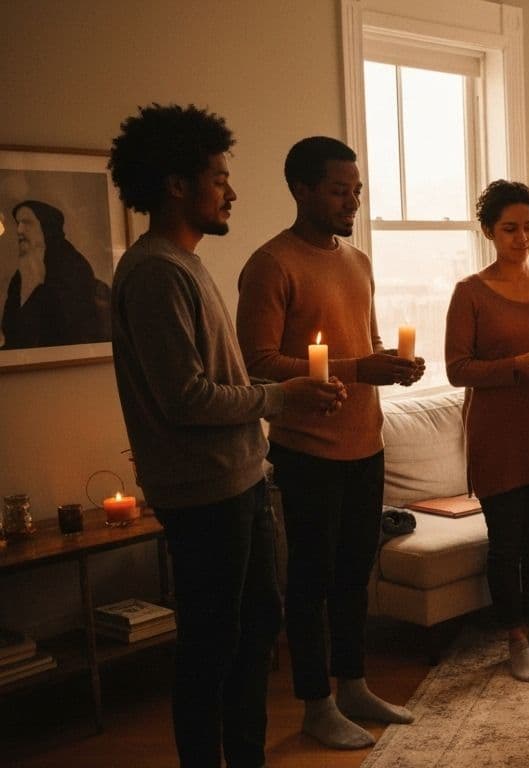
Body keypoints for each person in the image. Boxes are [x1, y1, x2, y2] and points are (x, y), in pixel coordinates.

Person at [107, 104, 345, 768]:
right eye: (218, 176)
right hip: (202, 493)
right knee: (212, 646)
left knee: (251, 635)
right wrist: (282, 396)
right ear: (176, 185)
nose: (231, 191)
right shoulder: (156, 272)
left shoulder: (181, 264)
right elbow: (186, 399)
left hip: (239, 480)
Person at [236, 136, 422, 749]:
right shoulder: (271, 264)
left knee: (353, 577)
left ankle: (353, 685)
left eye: (357, 190)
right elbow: (258, 364)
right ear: (302, 190)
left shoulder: (358, 261)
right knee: (311, 581)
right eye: (340, 191)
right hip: (306, 449)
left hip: (364, 443)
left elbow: (358, 347)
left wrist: (389, 367)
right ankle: (316, 704)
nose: (352, 202)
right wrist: (357, 367)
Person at [445, 180, 529, 683]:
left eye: (528, 227)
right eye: (509, 229)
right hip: (498, 435)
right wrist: (515, 367)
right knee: (505, 545)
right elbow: (458, 368)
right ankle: (515, 640)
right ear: (488, 232)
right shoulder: (470, 293)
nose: (522, 237)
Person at [2, 199, 106, 349]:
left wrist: (36, 291)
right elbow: (10, 326)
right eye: (18, 223)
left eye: (27, 223)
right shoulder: (22, 273)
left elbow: (69, 324)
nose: (19, 230)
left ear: (46, 227)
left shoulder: (72, 265)